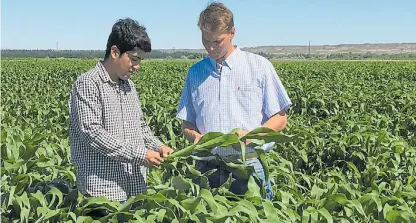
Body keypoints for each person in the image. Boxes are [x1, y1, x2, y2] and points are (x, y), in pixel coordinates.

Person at [176, 2, 292, 200]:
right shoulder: (195, 73)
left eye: (218, 41)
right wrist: (195, 137)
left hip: (248, 165)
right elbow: (187, 122)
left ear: (232, 33)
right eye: (206, 41)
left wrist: (252, 136)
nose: (211, 48)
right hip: (207, 167)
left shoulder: (259, 66)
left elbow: (280, 118)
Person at [68, 18, 173, 203]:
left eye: (140, 60)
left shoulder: (128, 86)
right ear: (115, 52)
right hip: (103, 191)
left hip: (133, 184)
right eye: (134, 59)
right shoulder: (88, 83)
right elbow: (92, 133)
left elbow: (139, 126)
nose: (137, 66)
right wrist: (141, 155)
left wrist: (158, 146)